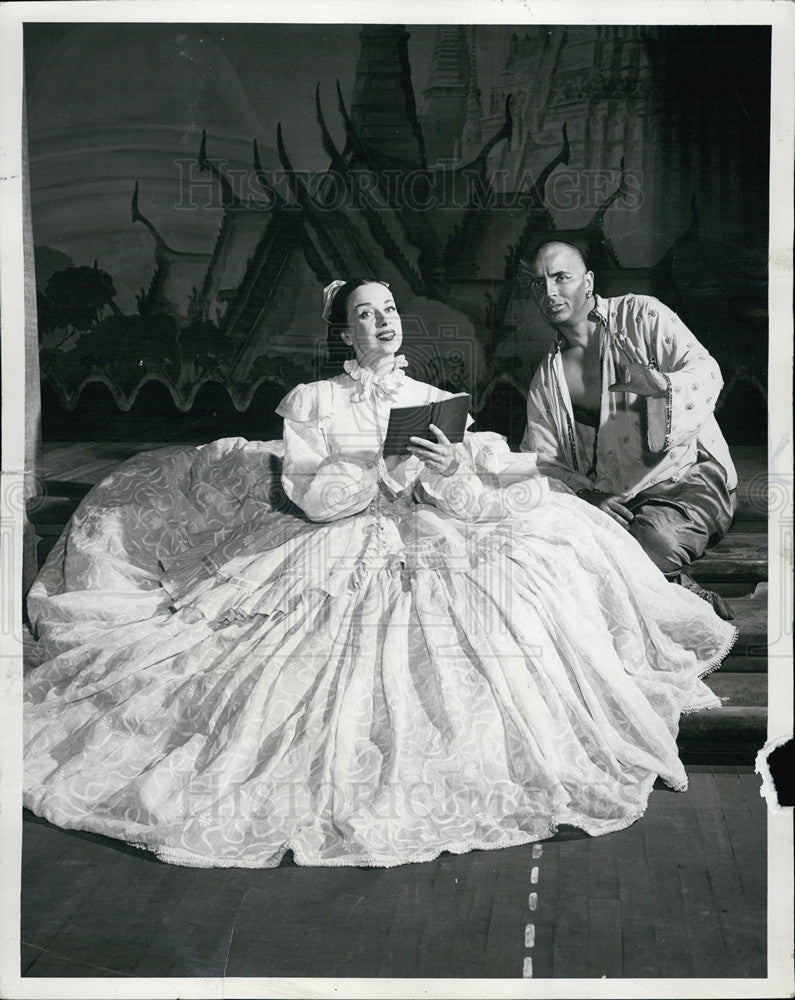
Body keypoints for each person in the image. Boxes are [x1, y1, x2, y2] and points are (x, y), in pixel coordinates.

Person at [24, 278, 736, 870]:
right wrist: (374, 469)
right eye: (365, 314)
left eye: (389, 310)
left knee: (510, 596)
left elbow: (467, 500)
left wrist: (446, 469)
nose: (382, 323)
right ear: (344, 333)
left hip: (424, 532)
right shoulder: (313, 402)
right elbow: (310, 496)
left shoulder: (430, 395)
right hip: (335, 540)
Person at [520, 241, 737, 619]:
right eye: (540, 284)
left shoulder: (642, 315)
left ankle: (684, 601)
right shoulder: (548, 377)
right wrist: (590, 497)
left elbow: (706, 370)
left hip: (688, 476)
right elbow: (541, 459)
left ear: (588, 281)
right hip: (616, 496)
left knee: (655, 540)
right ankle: (679, 596)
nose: (550, 292)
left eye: (561, 278)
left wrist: (663, 388)